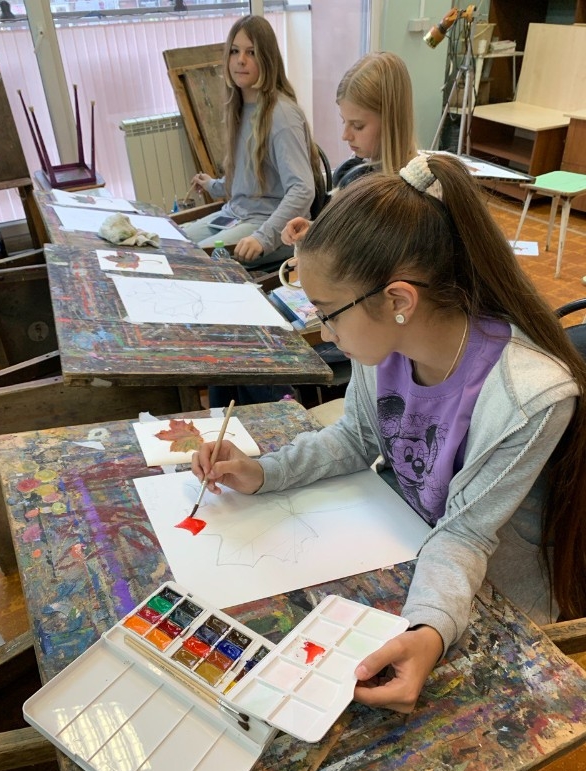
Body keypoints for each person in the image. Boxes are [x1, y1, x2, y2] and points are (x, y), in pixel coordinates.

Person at [192, 152, 586, 713]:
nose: (323, 330)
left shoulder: (527, 397)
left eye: (328, 312)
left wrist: (428, 631)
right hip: (410, 540)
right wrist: (263, 471)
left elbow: (466, 534)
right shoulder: (385, 347)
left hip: (495, 599)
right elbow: (358, 438)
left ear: (399, 300)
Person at [182, 15, 319, 267]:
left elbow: (303, 189)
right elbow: (249, 181)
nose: (240, 60)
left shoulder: (282, 115)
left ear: (267, 59)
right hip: (235, 215)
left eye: (251, 52)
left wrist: (262, 238)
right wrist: (213, 185)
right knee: (173, 244)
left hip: (269, 227)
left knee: (192, 263)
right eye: (234, 51)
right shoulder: (239, 107)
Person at [282, 51, 416, 247]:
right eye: (344, 121)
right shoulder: (357, 171)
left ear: (391, 122)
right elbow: (344, 236)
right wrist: (313, 231)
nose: (345, 135)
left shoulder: (413, 198)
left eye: (358, 126)